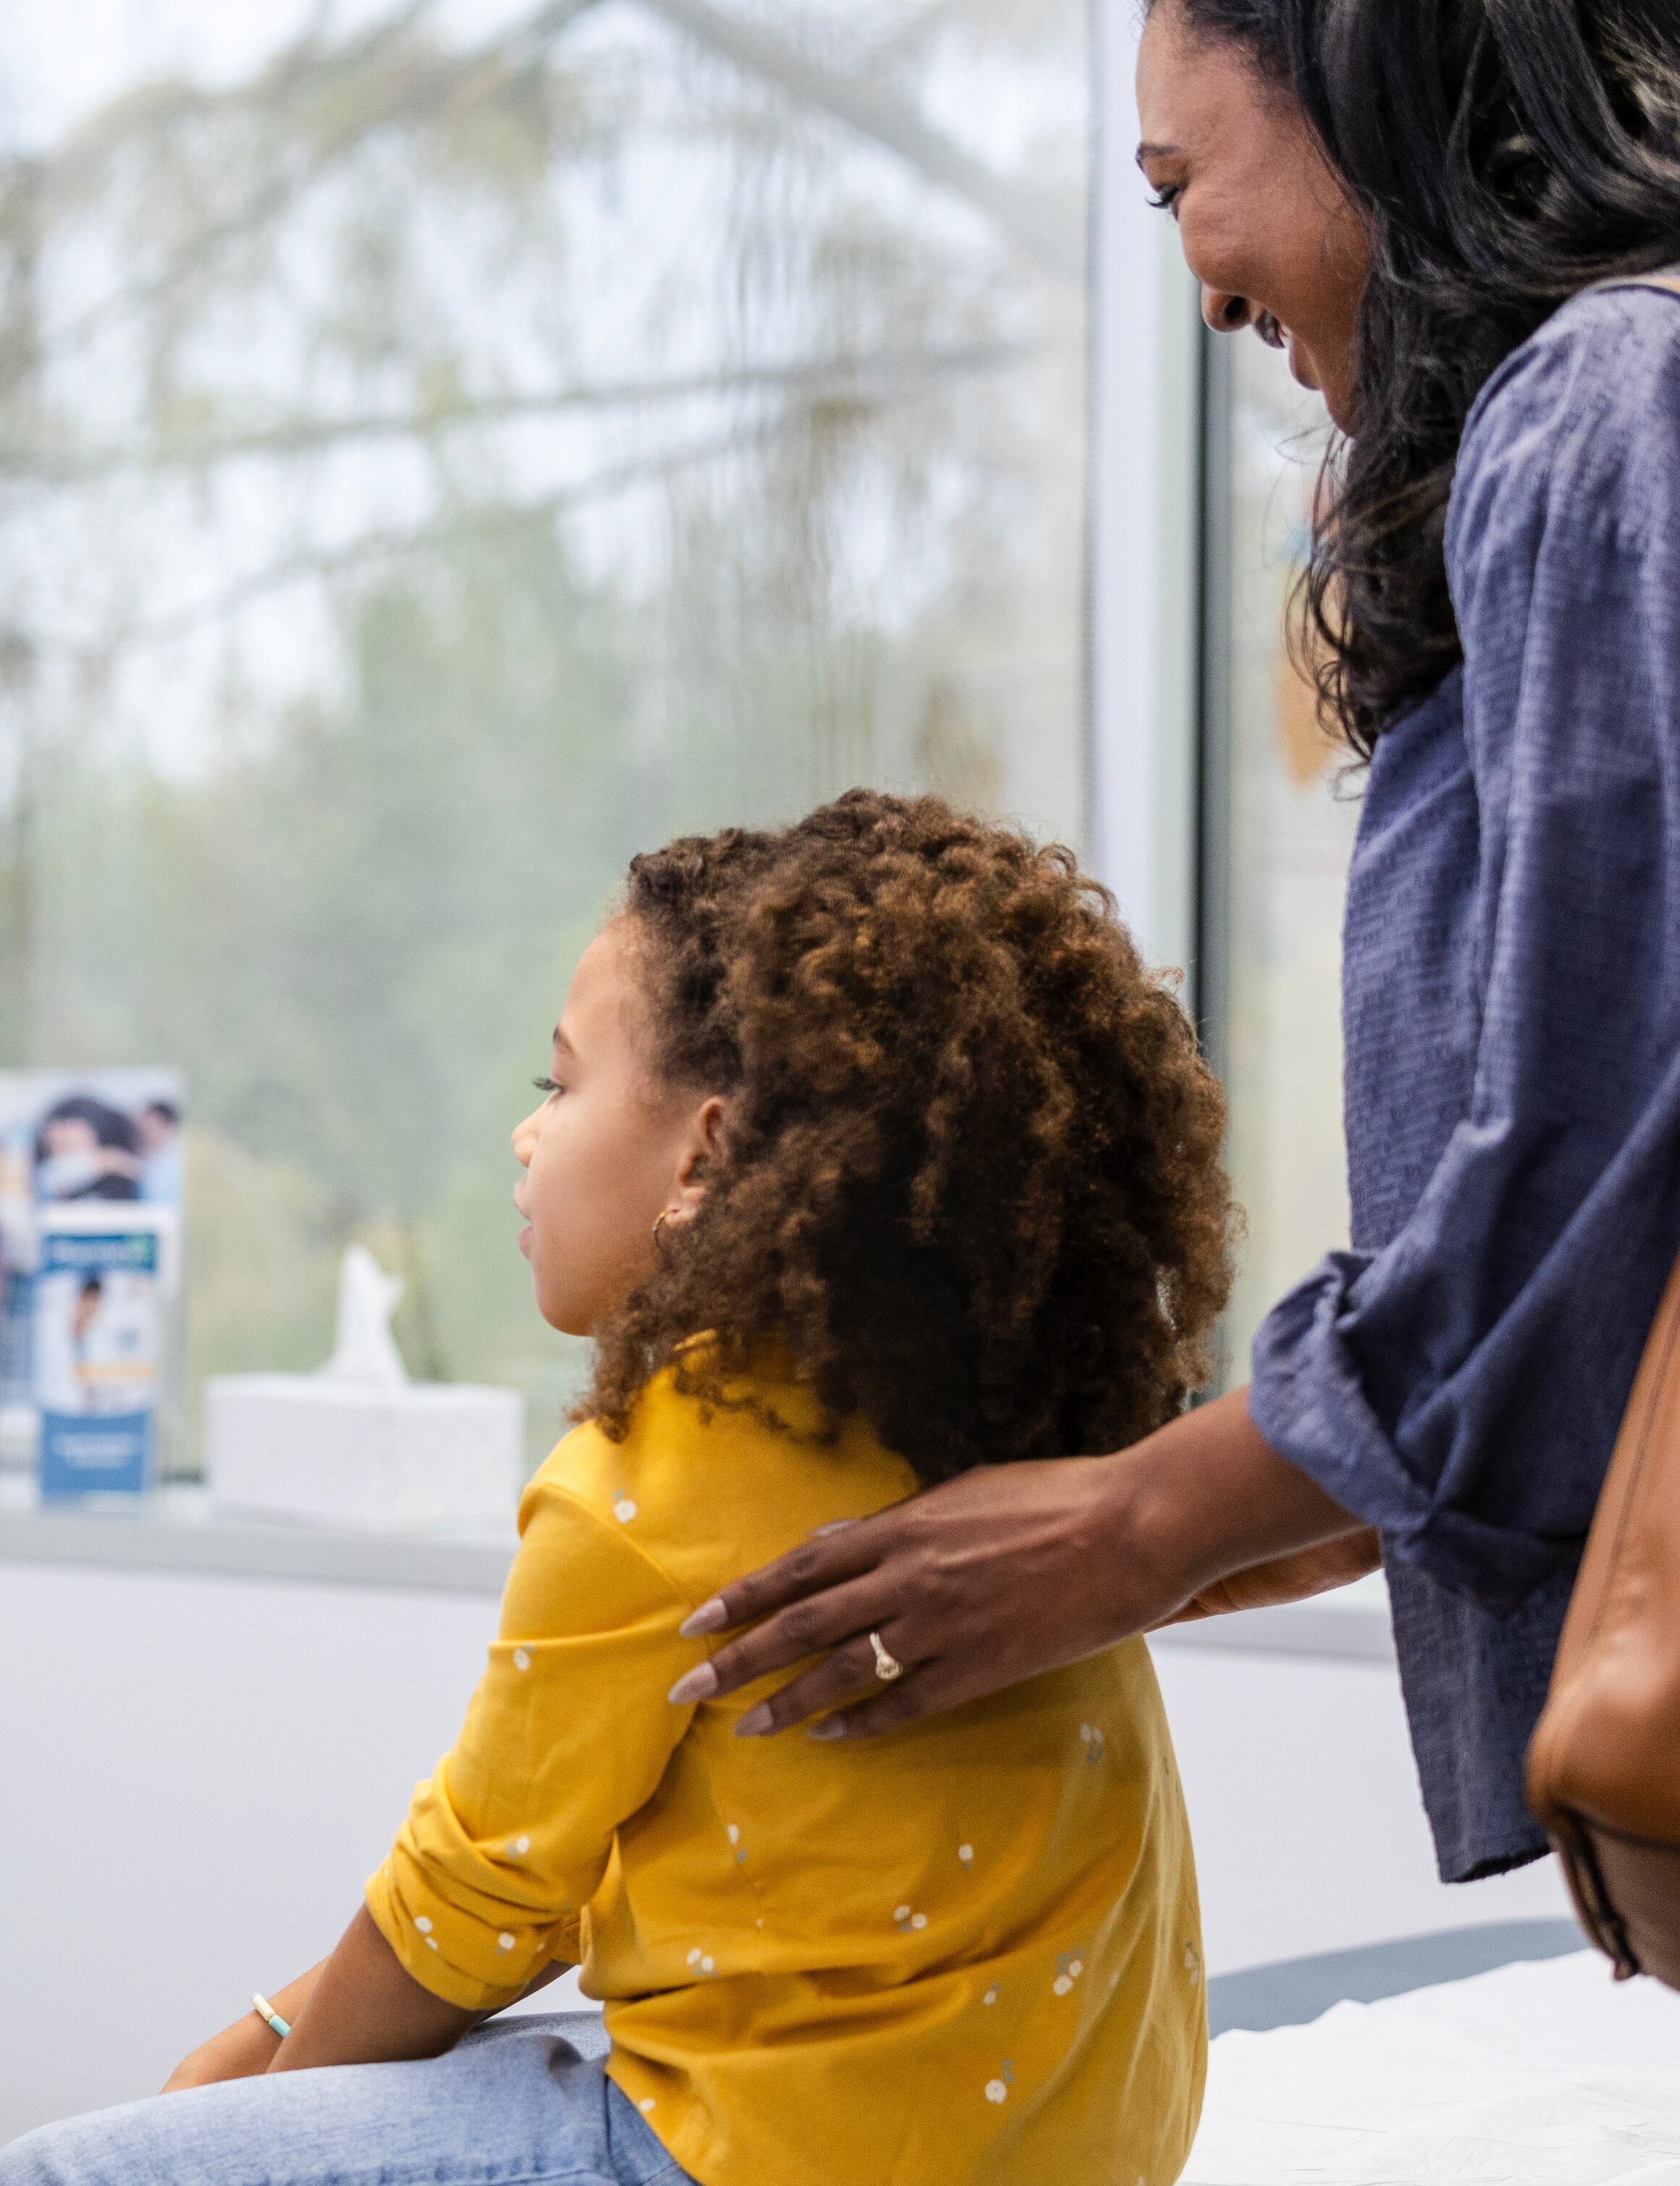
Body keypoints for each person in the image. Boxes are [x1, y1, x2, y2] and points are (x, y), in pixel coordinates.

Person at [0, 797, 1224, 2186]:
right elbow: (564, 1883)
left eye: (556, 1082)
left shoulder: (664, 1460)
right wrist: (271, 2036)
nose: (524, 1130)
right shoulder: (963, 1430)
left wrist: (247, 2092)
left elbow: (475, 1896)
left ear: (706, 1152)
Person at [679, 0, 1680, 1890]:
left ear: (1370, 70)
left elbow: (1595, 1150)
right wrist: (1325, 1489)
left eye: (1176, 188)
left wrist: (1144, 1518)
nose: (1211, 301)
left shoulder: (1602, 404)